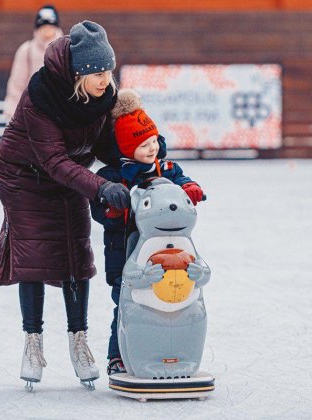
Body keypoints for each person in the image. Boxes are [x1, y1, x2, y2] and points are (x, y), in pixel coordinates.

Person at [0, 20, 129, 391]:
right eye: (98, 72)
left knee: (75, 255)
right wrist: (101, 187)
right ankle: (33, 343)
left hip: (70, 173)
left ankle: (78, 341)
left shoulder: (103, 95)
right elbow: (54, 162)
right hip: (25, 176)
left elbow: (101, 145)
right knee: (34, 256)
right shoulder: (42, 96)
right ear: (79, 73)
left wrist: (137, 161)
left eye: (108, 70)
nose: (105, 79)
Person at [89, 89, 204, 376]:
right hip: (124, 251)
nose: (151, 148)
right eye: (143, 145)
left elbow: (184, 182)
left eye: (153, 140)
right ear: (126, 149)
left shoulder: (166, 168)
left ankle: (167, 351)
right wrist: (112, 212)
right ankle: (118, 355)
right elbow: (97, 209)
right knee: (126, 305)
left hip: (167, 251)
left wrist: (191, 189)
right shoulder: (112, 177)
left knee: (171, 302)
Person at [2, 5, 64, 121]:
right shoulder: (26, 50)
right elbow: (17, 85)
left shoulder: (65, 49)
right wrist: (12, 113)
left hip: (60, 112)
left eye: (50, 26)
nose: (47, 29)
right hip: (33, 112)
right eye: (43, 26)